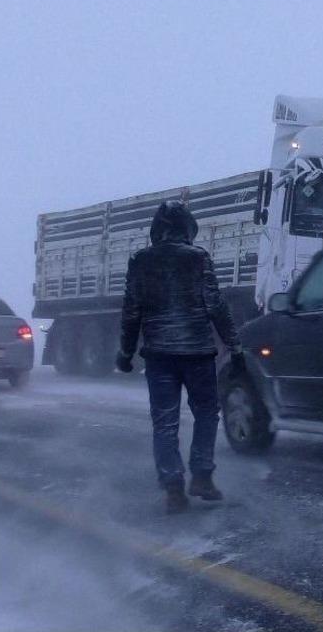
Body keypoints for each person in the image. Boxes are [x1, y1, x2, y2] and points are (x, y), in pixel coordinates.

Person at [117, 199, 245, 513]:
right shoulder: (198, 258)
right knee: (206, 413)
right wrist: (235, 346)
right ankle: (202, 476)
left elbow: (131, 312)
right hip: (198, 353)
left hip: (159, 355)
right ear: (187, 228)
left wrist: (126, 351)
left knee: (164, 422)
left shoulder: (140, 261)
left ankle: (173, 486)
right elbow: (216, 306)